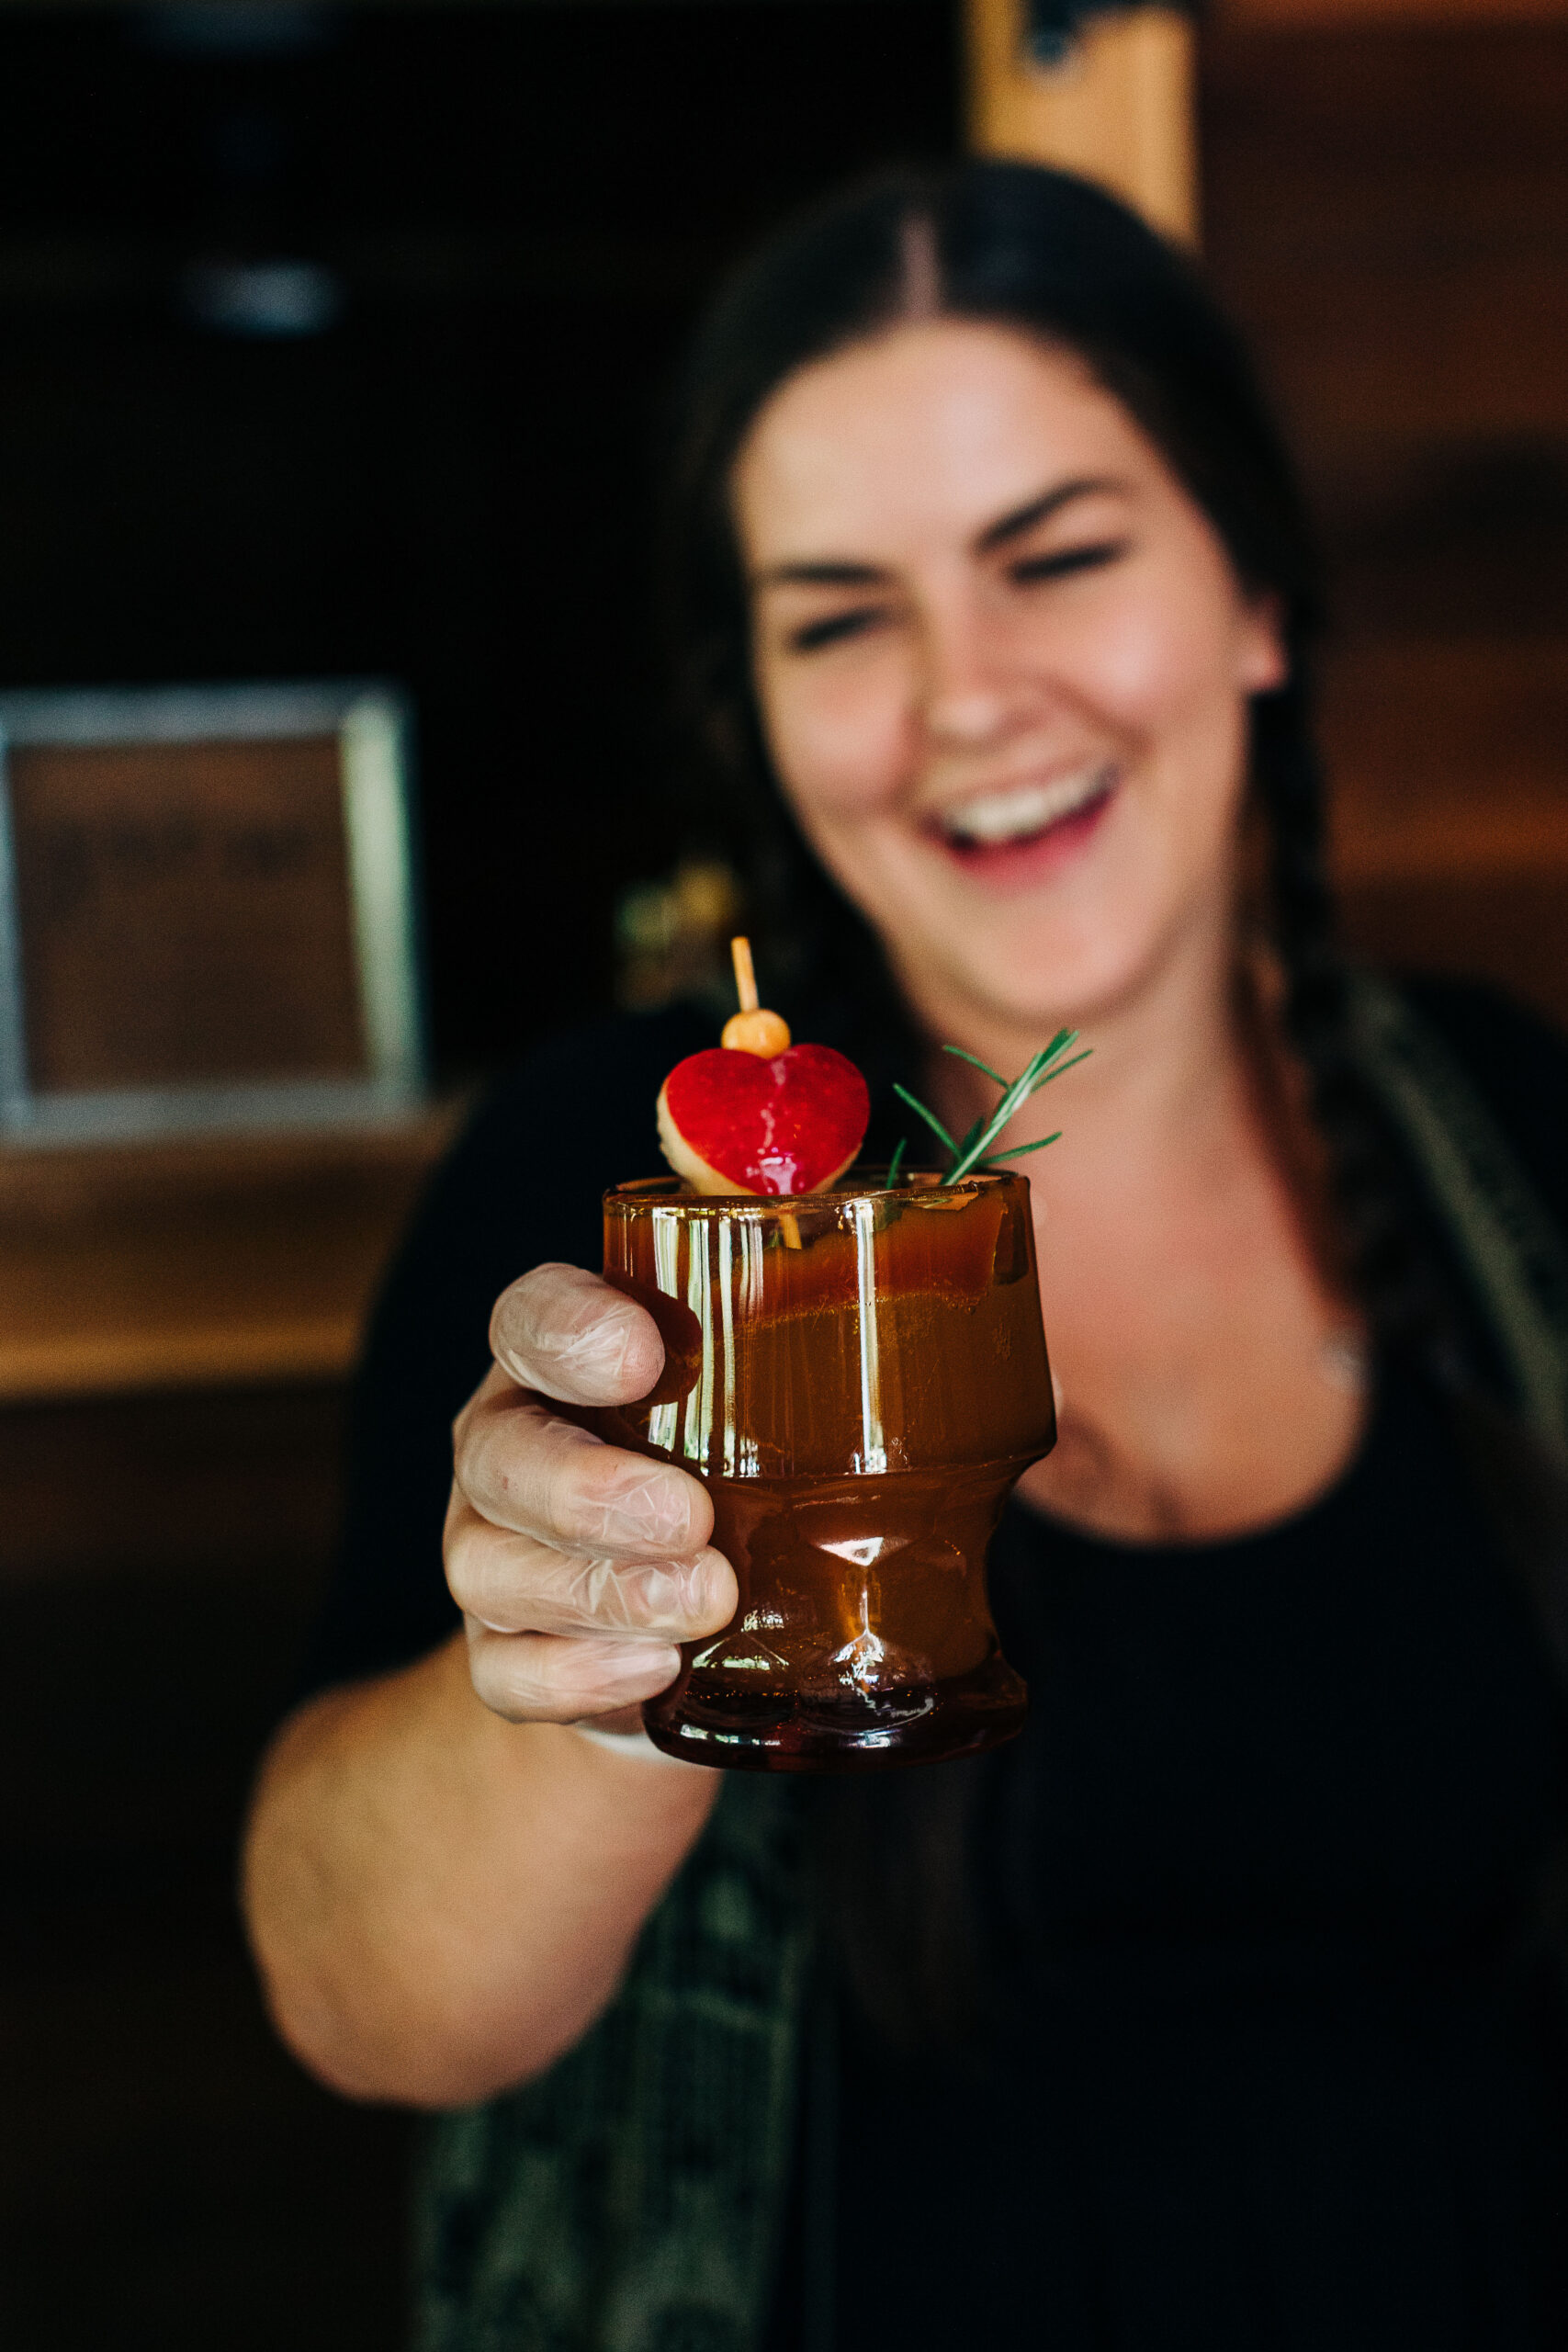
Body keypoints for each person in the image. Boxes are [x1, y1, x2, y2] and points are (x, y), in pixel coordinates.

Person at [242, 163, 1568, 2351]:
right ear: (756, 707)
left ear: (1251, 595)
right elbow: (358, 1994)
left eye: (1053, 557)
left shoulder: (1509, 1129)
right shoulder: (615, 1184)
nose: (969, 697)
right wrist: (584, 1684)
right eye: (841, 614)